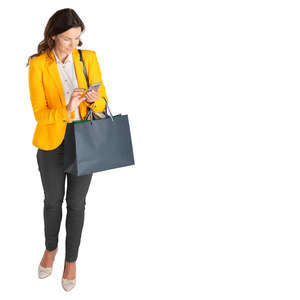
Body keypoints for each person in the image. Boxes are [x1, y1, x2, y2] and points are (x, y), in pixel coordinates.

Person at [26, 8, 109, 292]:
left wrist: (94, 100)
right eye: (67, 39)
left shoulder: (89, 58)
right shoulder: (38, 64)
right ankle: (51, 249)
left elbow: (102, 103)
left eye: (77, 38)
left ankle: (71, 261)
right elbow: (40, 113)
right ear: (53, 36)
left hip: (84, 139)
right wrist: (68, 108)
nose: (74, 45)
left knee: (76, 204)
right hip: (50, 141)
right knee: (52, 201)